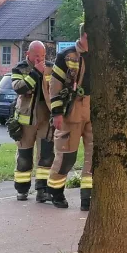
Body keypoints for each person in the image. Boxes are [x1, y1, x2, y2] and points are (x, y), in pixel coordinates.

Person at [48, 24, 93, 211]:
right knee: (67, 155)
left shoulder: (101, 55)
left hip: (94, 108)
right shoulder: (67, 55)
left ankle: (87, 198)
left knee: (94, 157)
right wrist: (57, 113)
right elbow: (55, 85)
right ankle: (56, 192)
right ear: (85, 35)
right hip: (71, 109)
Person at [9, 40, 57, 203]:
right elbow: (19, 88)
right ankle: (22, 189)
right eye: (36, 56)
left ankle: (42, 190)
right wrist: (36, 72)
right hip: (26, 119)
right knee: (24, 156)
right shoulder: (19, 69)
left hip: (46, 116)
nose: (40, 59)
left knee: (46, 154)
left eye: (43, 55)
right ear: (27, 54)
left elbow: (56, 88)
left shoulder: (51, 67)